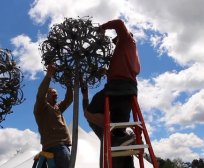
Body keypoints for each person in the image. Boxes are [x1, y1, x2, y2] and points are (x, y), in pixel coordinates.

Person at [83, 19, 140, 168]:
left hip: (117, 87)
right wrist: (107, 72)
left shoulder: (127, 41)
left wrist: (102, 28)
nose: (115, 44)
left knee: (89, 113)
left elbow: (119, 23)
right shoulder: (131, 53)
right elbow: (123, 69)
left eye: (116, 41)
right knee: (119, 125)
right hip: (130, 89)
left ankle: (115, 135)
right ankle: (122, 137)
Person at [33, 64, 73, 168]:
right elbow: (40, 94)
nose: (56, 95)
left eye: (56, 93)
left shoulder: (57, 108)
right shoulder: (41, 108)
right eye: (53, 93)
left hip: (61, 145)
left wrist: (69, 82)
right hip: (57, 145)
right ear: (47, 96)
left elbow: (69, 99)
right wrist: (49, 75)